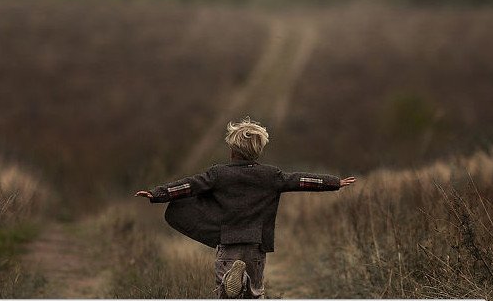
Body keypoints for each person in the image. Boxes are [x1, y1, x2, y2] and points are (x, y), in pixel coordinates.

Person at [135, 117, 356, 299]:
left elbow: (189, 186)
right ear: (258, 151)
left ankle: (232, 283)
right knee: (256, 292)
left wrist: (158, 193)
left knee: (225, 293)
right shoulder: (271, 175)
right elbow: (300, 180)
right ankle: (246, 285)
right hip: (256, 243)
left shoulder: (219, 173)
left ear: (232, 150)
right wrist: (334, 182)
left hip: (228, 241)